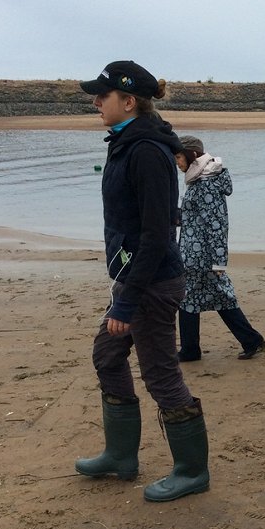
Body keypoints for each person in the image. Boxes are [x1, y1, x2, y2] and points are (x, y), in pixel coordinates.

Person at [74, 61, 210, 503]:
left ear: (128, 101)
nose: (96, 102)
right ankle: (120, 456)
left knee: (160, 374)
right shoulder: (129, 142)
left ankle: (192, 471)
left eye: (103, 95)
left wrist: (126, 302)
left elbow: (156, 235)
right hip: (134, 275)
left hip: (152, 281)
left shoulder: (146, 152)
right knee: (107, 355)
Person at [175, 135, 265, 361]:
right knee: (200, 300)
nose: (176, 162)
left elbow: (217, 225)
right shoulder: (200, 180)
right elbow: (194, 217)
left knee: (203, 299)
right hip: (193, 256)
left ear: (193, 155)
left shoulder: (206, 184)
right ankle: (194, 349)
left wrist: (218, 262)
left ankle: (194, 349)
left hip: (203, 258)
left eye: (178, 156)